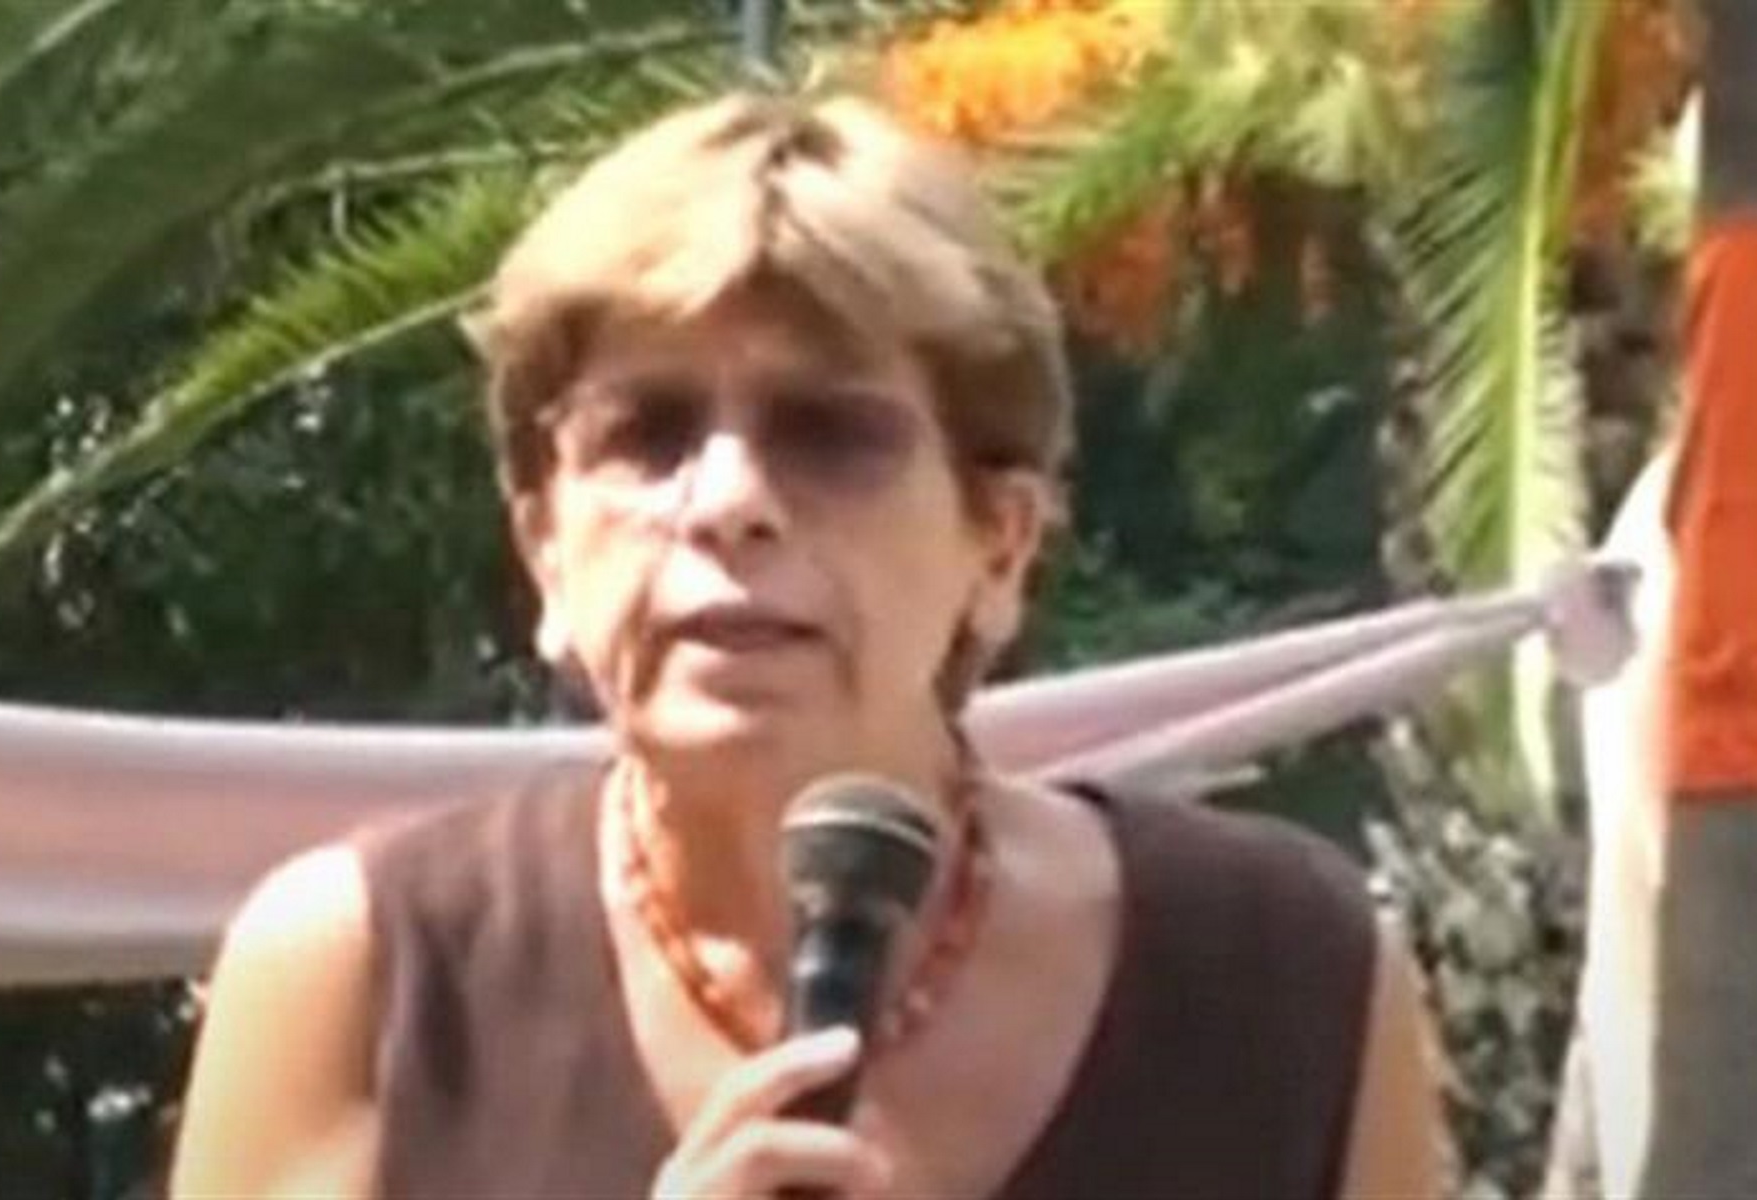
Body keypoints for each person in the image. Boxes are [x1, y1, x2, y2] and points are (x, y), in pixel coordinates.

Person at [169, 91, 1445, 1199]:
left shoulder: (1283, 983)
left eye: (829, 434)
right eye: (646, 434)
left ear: (997, 548)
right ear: (544, 546)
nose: (729, 501)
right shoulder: (367, 979)